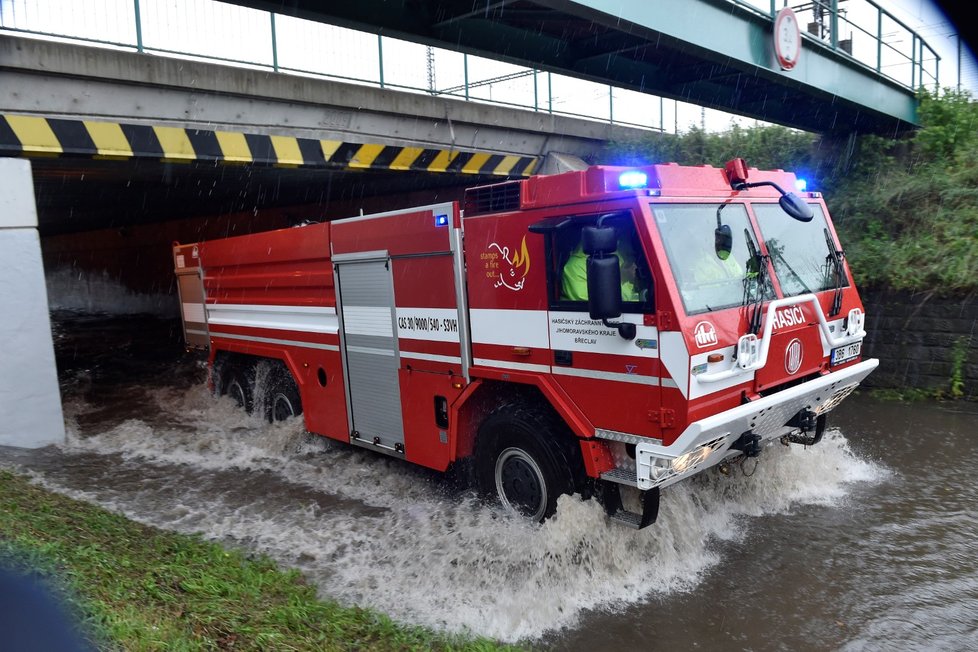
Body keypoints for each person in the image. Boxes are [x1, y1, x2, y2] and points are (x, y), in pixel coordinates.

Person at [560, 229, 644, 302]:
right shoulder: (575, 267)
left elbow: (629, 296)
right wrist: (620, 279)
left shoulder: (616, 258)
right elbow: (597, 302)